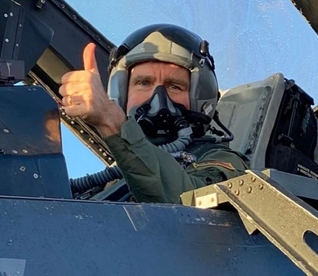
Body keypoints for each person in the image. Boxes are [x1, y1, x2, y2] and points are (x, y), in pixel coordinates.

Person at [60, 24, 247, 204]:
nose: (158, 98)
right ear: (121, 94)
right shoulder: (108, 182)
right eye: (143, 83)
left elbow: (188, 206)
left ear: (200, 98)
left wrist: (112, 122)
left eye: (174, 86)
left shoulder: (222, 161)